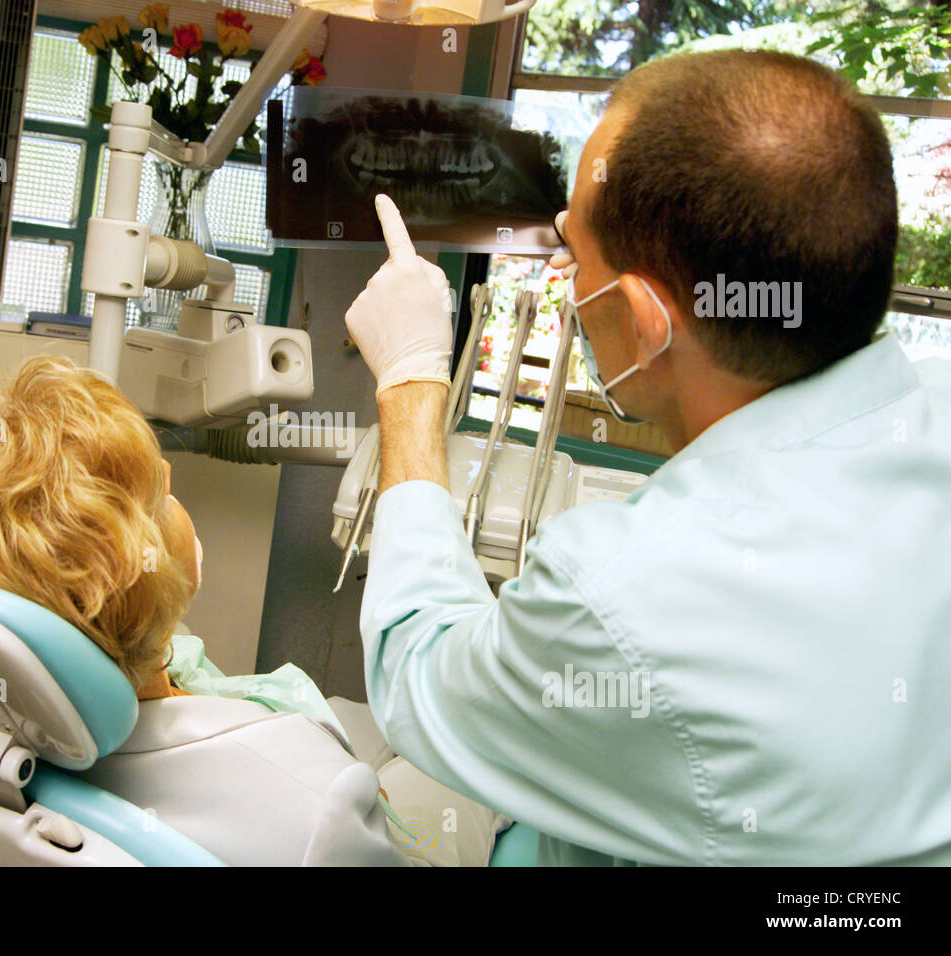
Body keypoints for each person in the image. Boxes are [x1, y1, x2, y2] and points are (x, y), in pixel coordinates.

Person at [343, 49, 951, 865]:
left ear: (646, 320)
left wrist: (412, 378)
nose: (563, 270)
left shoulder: (626, 595)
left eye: (578, 255)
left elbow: (421, 678)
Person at [0, 354, 505, 865]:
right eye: (158, 496)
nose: (173, 488)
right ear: (127, 574)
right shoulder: (312, 801)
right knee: (465, 760)